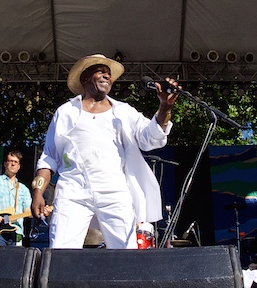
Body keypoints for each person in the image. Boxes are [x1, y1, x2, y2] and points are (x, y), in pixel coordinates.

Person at [30, 54, 180, 249]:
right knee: (61, 252)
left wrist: (165, 107)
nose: (107, 76)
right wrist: (38, 192)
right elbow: (49, 157)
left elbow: (150, 138)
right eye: (100, 71)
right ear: (85, 78)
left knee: (125, 253)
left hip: (114, 190)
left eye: (109, 74)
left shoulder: (123, 111)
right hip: (73, 190)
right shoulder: (66, 112)